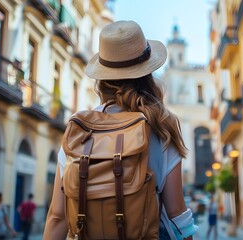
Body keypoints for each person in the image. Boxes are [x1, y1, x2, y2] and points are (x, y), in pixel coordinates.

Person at [44, 20, 198, 239]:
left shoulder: (78, 131)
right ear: (147, 74)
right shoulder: (161, 127)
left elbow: (57, 217)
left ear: (102, 78)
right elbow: (177, 214)